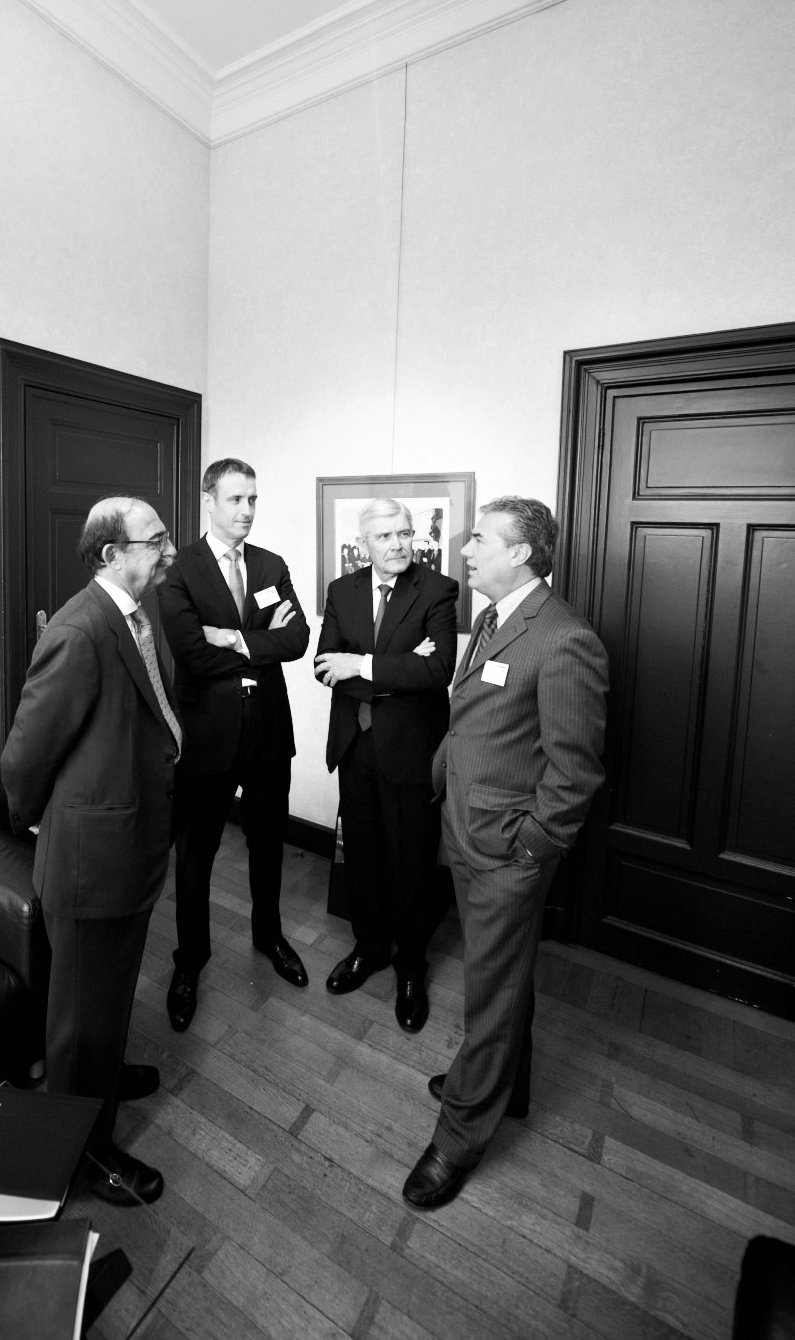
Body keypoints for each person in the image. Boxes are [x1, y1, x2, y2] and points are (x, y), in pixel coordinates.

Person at [402, 496, 609, 1210]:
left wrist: (531, 847)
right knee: (500, 972)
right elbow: (480, 716)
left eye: (479, 538)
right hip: (466, 827)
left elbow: (574, 769)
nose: (463, 548)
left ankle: (458, 1135)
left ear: (521, 552)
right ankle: (504, 1084)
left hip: (506, 852)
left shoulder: (563, 638)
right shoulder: (493, 617)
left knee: (488, 992)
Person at [0, 495, 182, 1207]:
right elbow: (23, 757)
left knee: (107, 995)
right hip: (92, 856)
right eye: (155, 540)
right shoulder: (79, 631)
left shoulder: (139, 611)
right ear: (112, 553)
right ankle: (84, 1154)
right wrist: (41, 824)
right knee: (79, 1016)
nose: (168, 550)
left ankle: (104, 1075)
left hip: (130, 842)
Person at [158, 458, 311, 1031]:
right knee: (196, 854)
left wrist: (234, 637)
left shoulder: (271, 564)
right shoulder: (181, 571)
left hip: (268, 726)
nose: (246, 511)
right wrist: (257, 641)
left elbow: (297, 639)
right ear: (209, 501)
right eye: (235, 500)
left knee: (268, 840)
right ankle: (189, 960)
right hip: (208, 734)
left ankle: (268, 936)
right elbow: (190, 653)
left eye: (253, 499)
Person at [314, 499, 459, 1032]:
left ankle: (411, 967)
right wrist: (399, 666)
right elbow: (323, 665)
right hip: (356, 744)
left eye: (405, 533)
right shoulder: (342, 591)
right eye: (385, 537)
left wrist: (365, 663)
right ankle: (369, 948)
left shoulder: (438, 590)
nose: (398, 544)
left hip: (410, 750)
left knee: (414, 863)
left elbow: (438, 669)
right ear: (363, 542)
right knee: (366, 855)